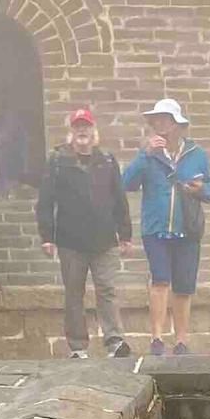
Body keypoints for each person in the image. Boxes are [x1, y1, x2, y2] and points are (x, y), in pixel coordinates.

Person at [121, 99, 210, 358]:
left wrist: (201, 189)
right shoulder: (148, 155)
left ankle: (182, 341)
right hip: (156, 228)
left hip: (188, 227)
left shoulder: (196, 154)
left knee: (184, 286)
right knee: (160, 280)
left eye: (165, 119)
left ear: (177, 125)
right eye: (156, 120)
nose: (159, 125)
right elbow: (127, 183)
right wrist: (145, 154)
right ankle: (157, 338)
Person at [37, 107, 133, 359]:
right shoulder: (58, 161)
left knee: (107, 290)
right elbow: (45, 201)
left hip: (104, 240)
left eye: (86, 127)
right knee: (74, 293)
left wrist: (125, 234)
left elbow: (119, 198)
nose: (82, 131)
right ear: (71, 132)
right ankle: (78, 346)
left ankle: (115, 341)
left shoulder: (108, 161)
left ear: (94, 131)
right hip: (70, 241)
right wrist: (46, 236)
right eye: (77, 127)